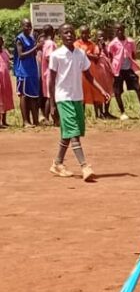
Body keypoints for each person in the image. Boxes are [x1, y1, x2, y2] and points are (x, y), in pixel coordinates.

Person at [48, 24, 111, 182]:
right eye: (65, 32)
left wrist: (102, 90)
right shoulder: (56, 55)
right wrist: (52, 103)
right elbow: (51, 81)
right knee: (74, 133)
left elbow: (88, 76)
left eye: (71, 32)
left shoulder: (80, 54)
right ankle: (84, 166)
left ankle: (57, 163)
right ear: (60, 36)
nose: (69, 35)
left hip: (77, 97)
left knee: (68, 133)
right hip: (63, 98)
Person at [107, 23, 140, 119]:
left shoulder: (130, 41)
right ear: (115, 31)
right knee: (117, 91)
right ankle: (122, 112)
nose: (120, 32)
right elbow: (110, 56)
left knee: (138, 88)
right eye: (117, 30)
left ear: (124, 30)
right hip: (118, 70)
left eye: (121, 29)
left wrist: (131, 63)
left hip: (129, 69)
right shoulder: (113, 44)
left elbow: (133, 54)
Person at [75, 26, 114, 120]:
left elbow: (96, 57)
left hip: (91, 71)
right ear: (80, 33)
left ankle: (98, 114)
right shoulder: (76, 44)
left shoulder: (92, 44)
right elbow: (78, 55)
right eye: (83, 33)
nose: (85, 35)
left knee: (95, 92)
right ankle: (81, 115)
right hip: (80, 72)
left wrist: (86, 55)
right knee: (82, 94)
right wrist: (88, 55)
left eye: (86, 33)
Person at [14, 18, 42, 127]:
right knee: (24, 96)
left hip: (32, 71)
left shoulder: (31, 38)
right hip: (23, 71)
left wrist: (37, 47)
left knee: (33, 96)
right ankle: (26, 121)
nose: (28, 28)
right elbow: (21, 55)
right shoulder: (19, 39)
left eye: (30, 26)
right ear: (22, 26)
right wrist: (36, 47)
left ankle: (35, 120)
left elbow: (33, 53)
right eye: (26, 26)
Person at [96, 31, 116, 119]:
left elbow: (110, 56)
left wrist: (104, 47)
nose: (101, 39)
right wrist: (100, 48)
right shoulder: (94, 47)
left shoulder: (108, 46)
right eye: (99, 37)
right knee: (100, 91)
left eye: (102, 37)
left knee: (108, 90)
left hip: (107, 71)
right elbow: (95, 58)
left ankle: (106, 111)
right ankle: (100, 112)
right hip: (98, 71)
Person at [40, 25, 57, 124]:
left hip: (46, 72)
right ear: (53, 31)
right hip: (51, 72)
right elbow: (49, 57)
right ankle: (49, 118)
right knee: (51, 96)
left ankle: (49, 118)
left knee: (49, 96)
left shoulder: (45, 43)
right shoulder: (50, 43)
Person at [0, 36, 13, 128]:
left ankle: (4, 121)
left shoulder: (5, 52)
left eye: (1, 41)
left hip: (5, 79)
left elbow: (9, 62)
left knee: (5, 98)